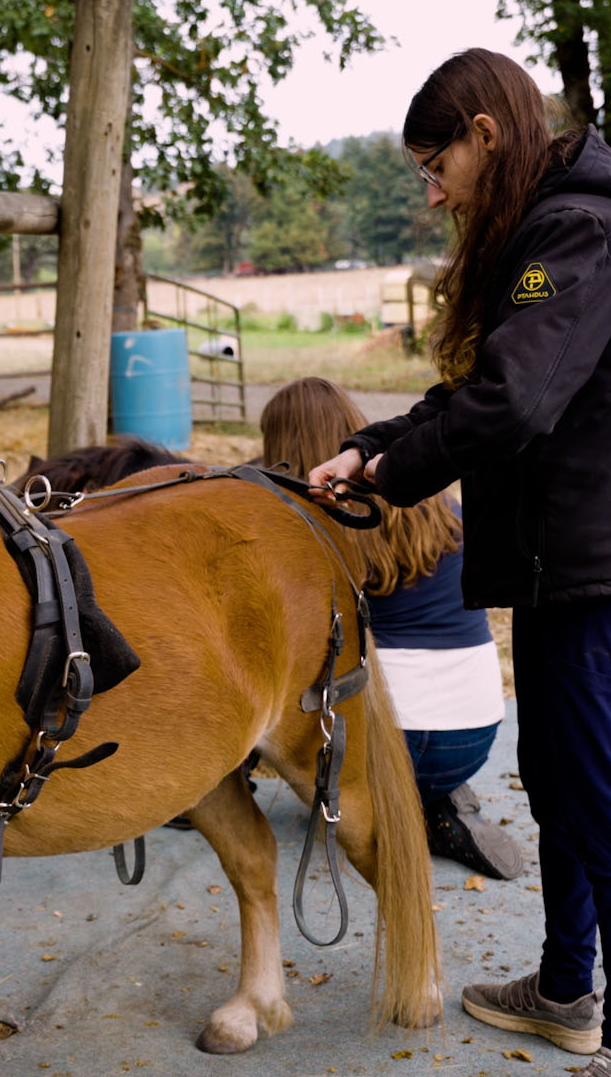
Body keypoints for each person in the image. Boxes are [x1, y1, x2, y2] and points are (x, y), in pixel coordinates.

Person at [307, 49, 611, 1077]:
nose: (434, 194)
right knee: (558, 782)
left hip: (593, 561)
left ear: (486, 134)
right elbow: (482, 391)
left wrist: (394, 475)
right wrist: (371, 445)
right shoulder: (549, 229)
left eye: (438, 168)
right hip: (554, 559)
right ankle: (566, 989)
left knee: (598, 794)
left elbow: (515, 403)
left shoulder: (576, 233)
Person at [260, 377, 520, 881]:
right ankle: (431, 802)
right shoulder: (440, 506)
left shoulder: (312, 521)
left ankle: (220, 781)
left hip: (379, 745)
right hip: (475, 733)